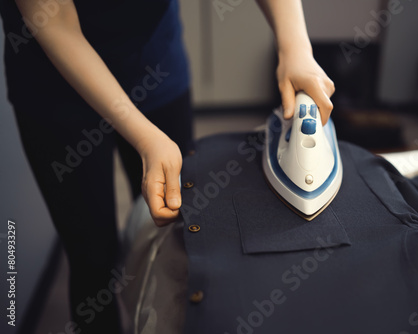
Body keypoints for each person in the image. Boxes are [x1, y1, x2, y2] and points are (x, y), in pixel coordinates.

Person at [1, 0, 334, 332]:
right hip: (55, 85)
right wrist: (145, 137)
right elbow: (53, 18)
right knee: (93, 259)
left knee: (179, 229)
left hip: (153, 66)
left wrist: (296, 49)